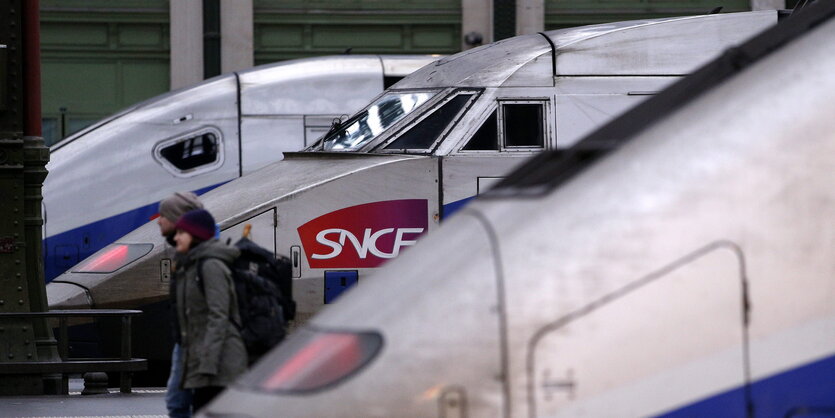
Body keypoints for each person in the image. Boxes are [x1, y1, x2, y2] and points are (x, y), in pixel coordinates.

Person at [173, 209, 248, 412]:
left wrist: (207, 363)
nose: (176, 237)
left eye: (181, 232)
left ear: (196, 235)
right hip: (206, 361)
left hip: (219, 363)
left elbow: (219, 315)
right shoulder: (191, 264)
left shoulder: (210, 266)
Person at [158, 192, 203, 418]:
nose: (158, 220)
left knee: (180, 403)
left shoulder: (203, 257)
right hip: (185, 338)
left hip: (196, 341)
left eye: (163, 215)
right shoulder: (182, 253)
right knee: (178, 402)